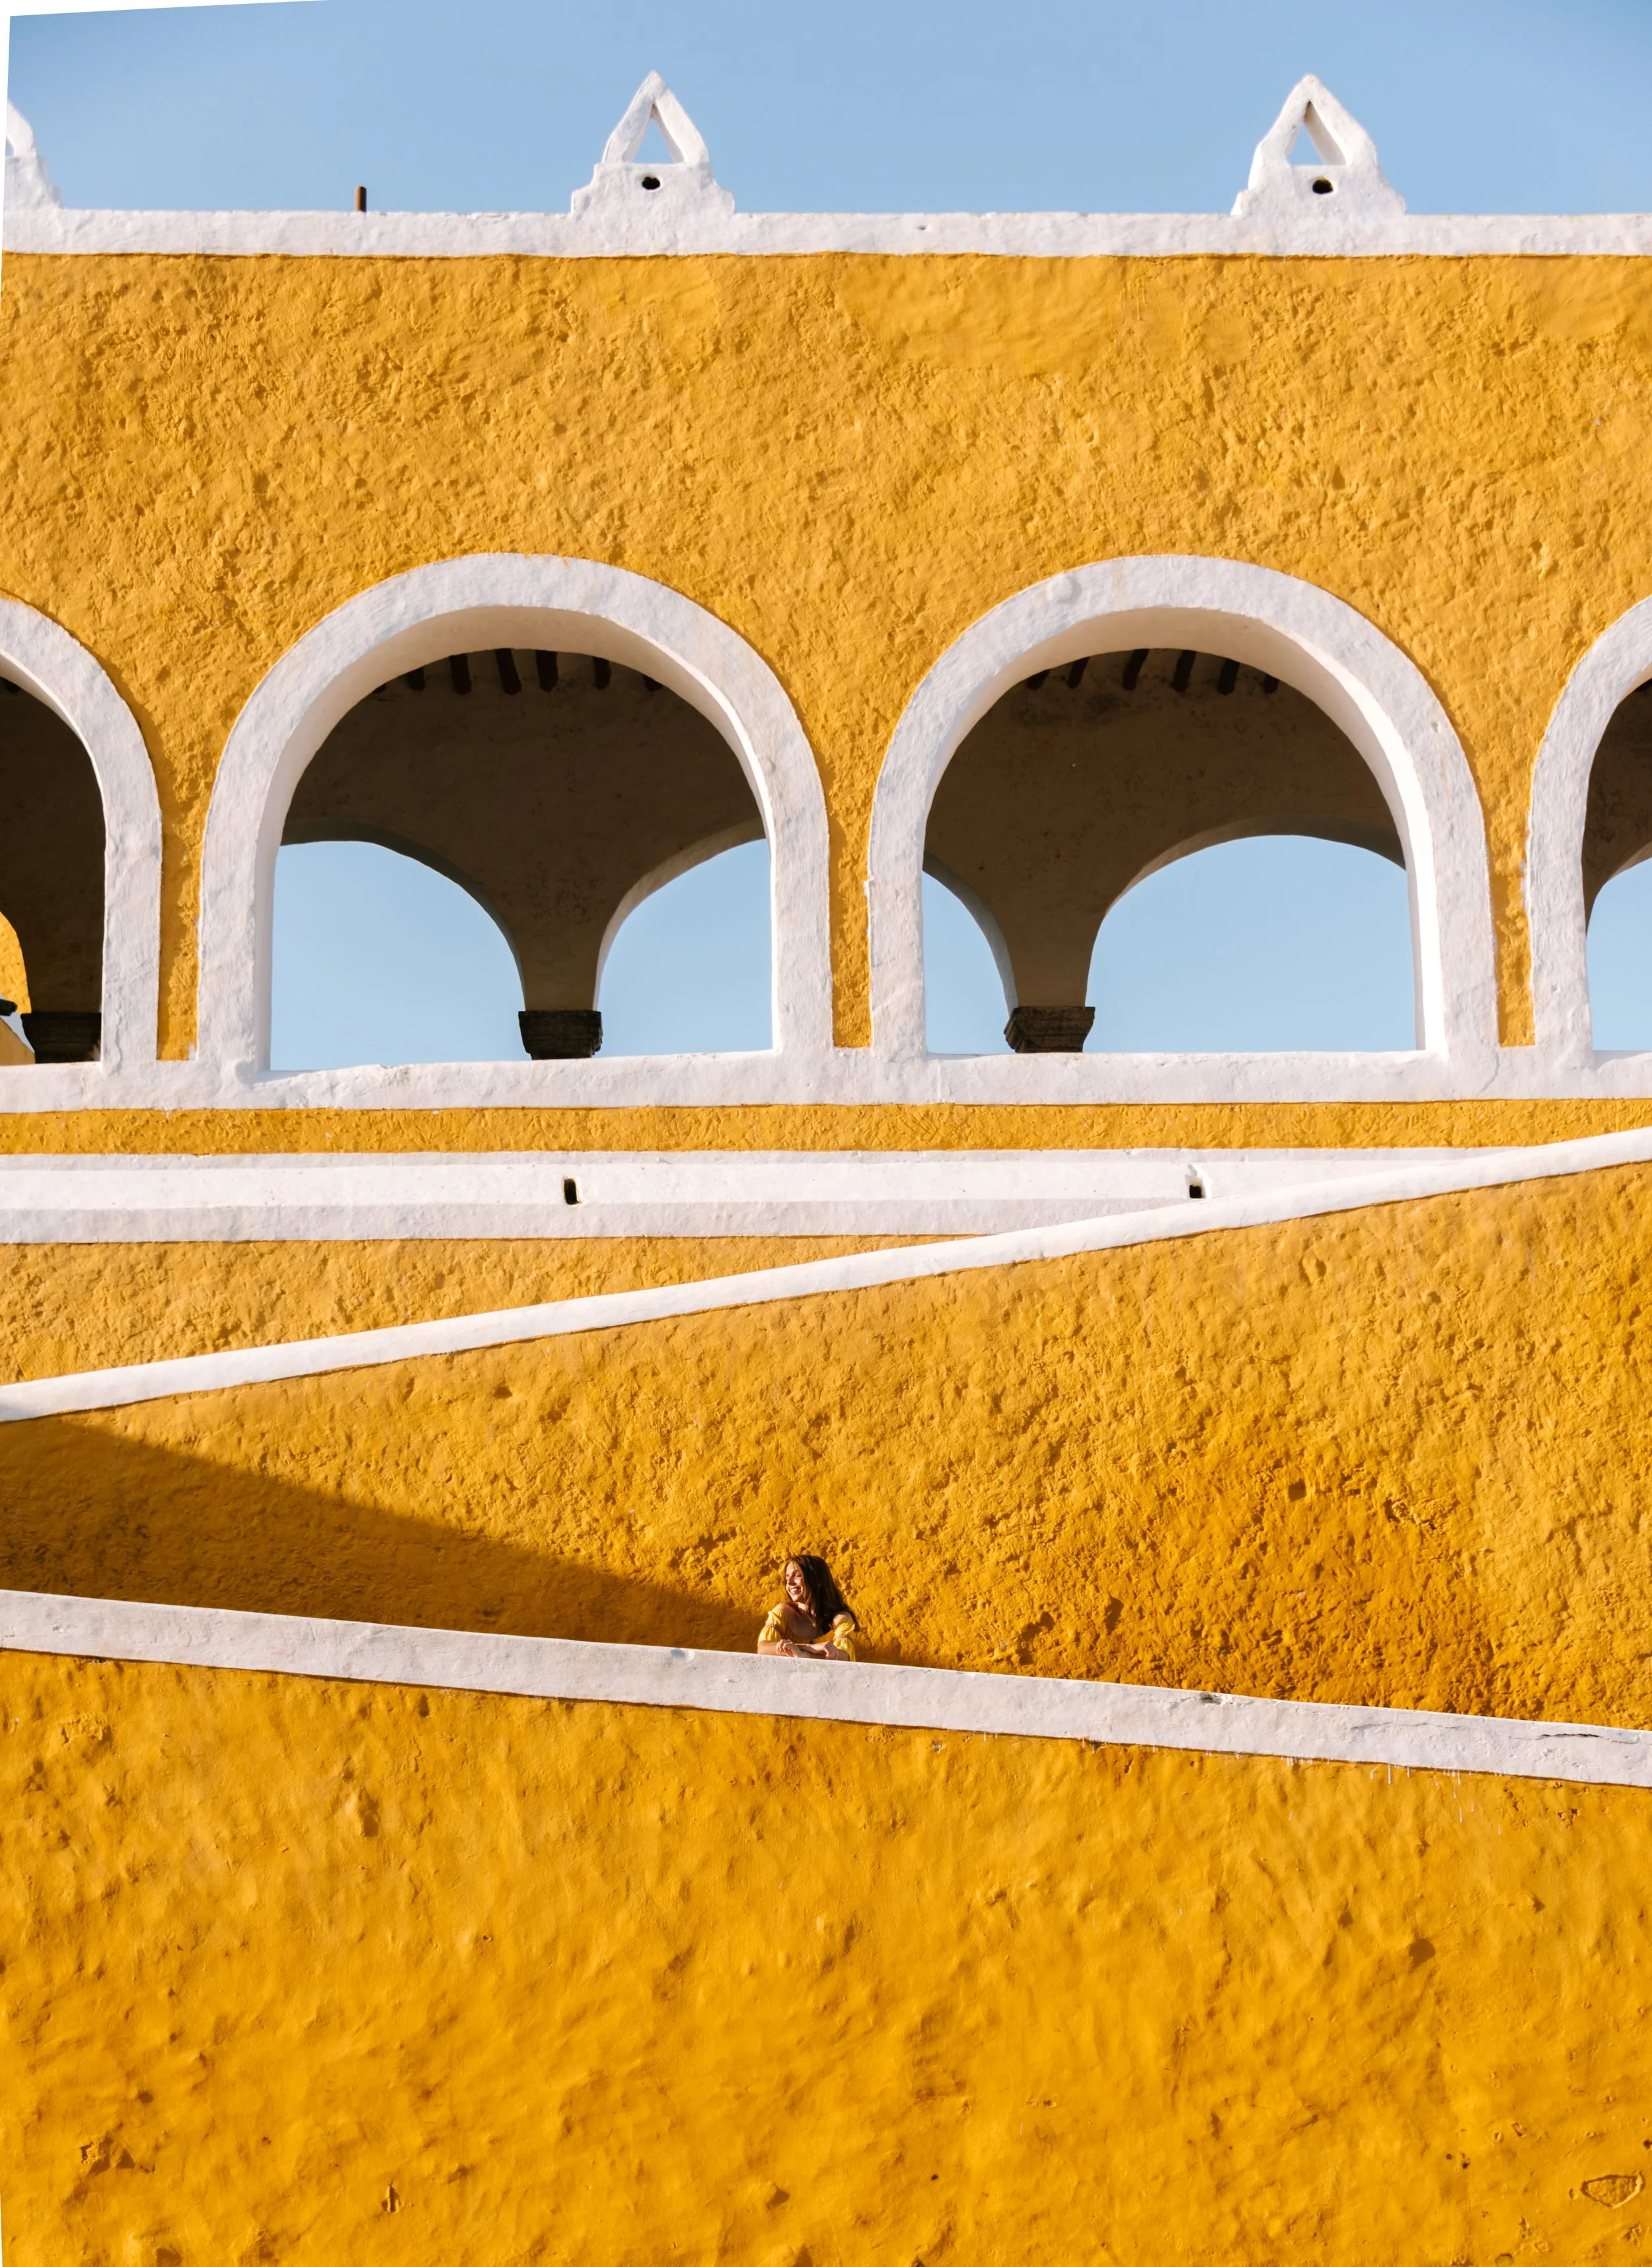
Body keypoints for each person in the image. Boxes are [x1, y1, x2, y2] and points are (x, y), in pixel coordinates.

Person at [758, 1554, 861, 1663]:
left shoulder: (841, 1619)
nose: (790, 1583)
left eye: (797, 1575)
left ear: (818, 1581)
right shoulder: (783, 1613)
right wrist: (810, 1648)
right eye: (787, 1578)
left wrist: (804, 1654)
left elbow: (843, 1657)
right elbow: (763, 1649)